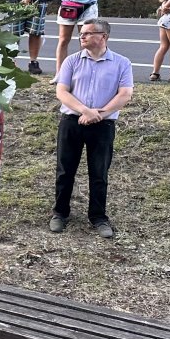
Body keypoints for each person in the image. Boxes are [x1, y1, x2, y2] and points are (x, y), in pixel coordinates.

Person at [49, 19, 132, 239]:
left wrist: (99, 114)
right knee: (65, 170)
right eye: (81, 33)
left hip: (103, 125)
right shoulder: (71, 61)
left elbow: (125, 94)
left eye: (87, 33)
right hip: (71, 122)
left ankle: (98, 217)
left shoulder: (122, 63)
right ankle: (60, 213)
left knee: (99, 173)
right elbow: (62, 92)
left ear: (103, 36)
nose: (82, 37)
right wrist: (85, 110)